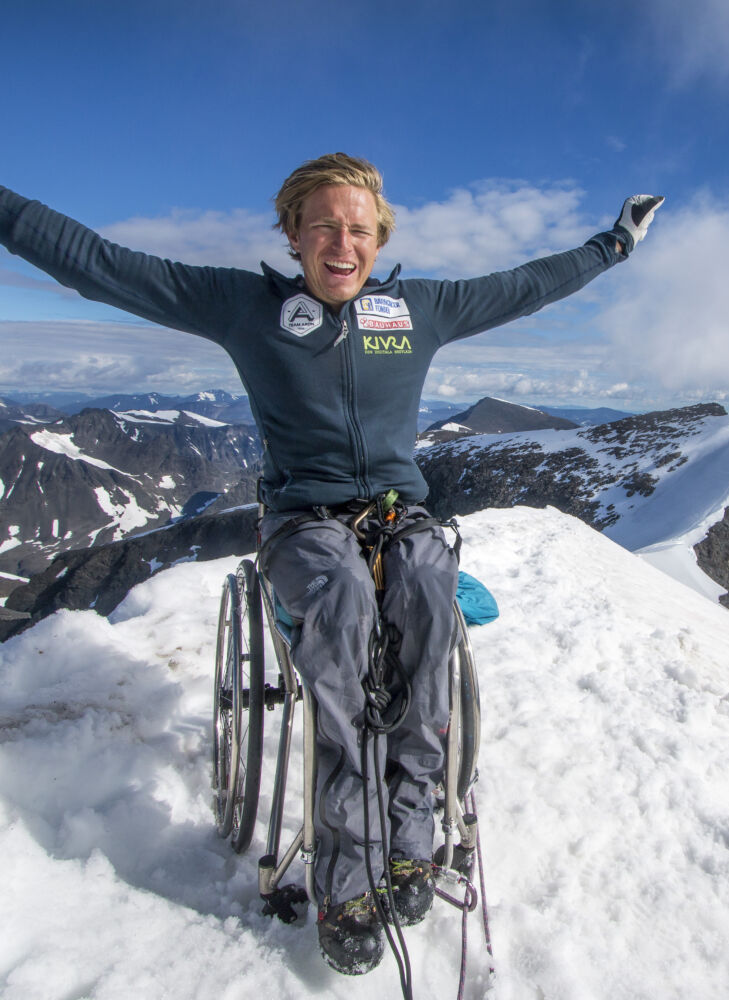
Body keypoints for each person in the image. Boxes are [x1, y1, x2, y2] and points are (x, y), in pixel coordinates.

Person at [0, 155, 662, 974]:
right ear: (293, 234)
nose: (341, 244)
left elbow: (527, 284)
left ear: (378, 241)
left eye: (358, 229)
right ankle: (346, 869)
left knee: (425, 585)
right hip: (302, 525)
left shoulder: (419, 309)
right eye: (323, 226)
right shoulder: (245, 307)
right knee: (345, 597)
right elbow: (104, 266)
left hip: (399, 517)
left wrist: (615, 245)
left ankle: (413, 828)